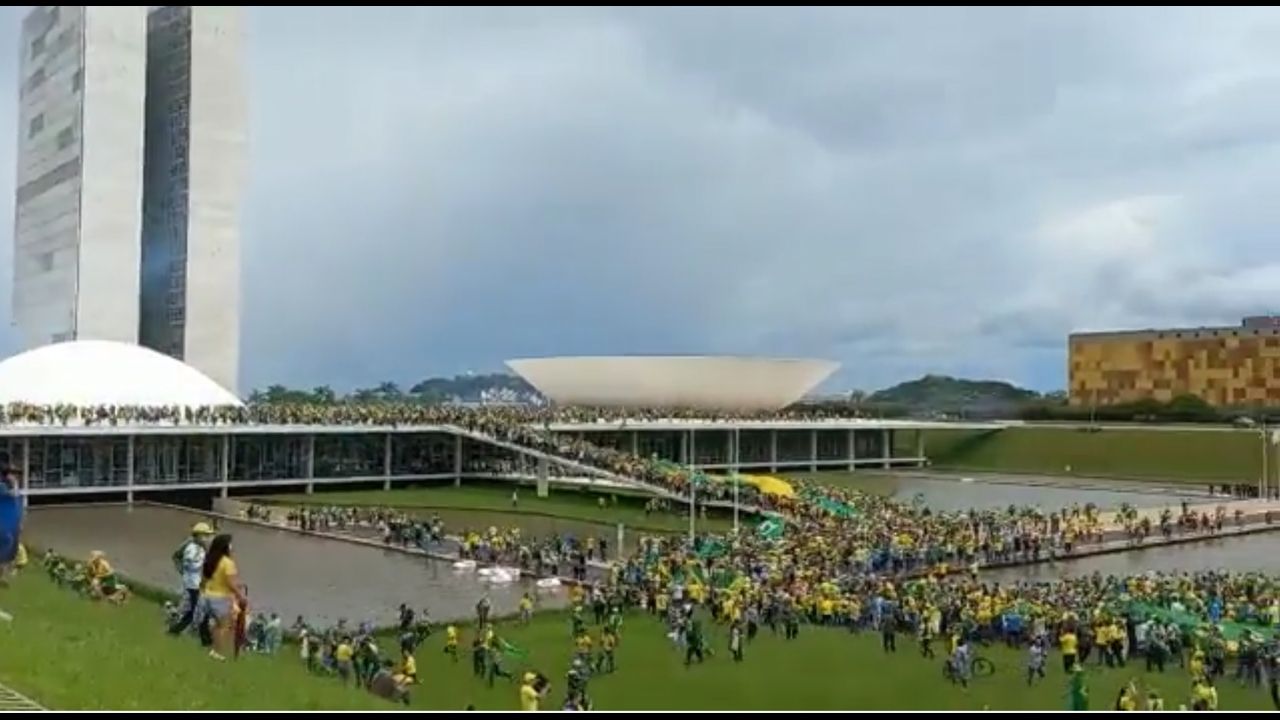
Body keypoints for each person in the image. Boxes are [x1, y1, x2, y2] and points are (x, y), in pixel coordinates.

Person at [200, 534, 248, 661]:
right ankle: (217, 651)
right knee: (223, 626)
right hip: (220, 597)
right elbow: (230, 583)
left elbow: (206, 578)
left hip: (207, 594)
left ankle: (213, 648)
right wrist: (240, 596)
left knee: (216, 625)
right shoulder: (228, 563)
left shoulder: (211, 559)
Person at [169, 522, 215, 644]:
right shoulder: (190, 546)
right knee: (200, 610)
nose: (207, 538)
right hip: (193, 584)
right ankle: (205, 639)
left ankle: (175, 631)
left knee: (194, 610)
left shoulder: (202, 546)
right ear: (198, 535)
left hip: (196, 582)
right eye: (205, 535)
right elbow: (178, 558)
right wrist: (183, 571)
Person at [0, 469, 21, 590]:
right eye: (12, 475)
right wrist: (15, 483)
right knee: (7, 545)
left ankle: (3, 576)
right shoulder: (2, 487)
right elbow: (14, 494)